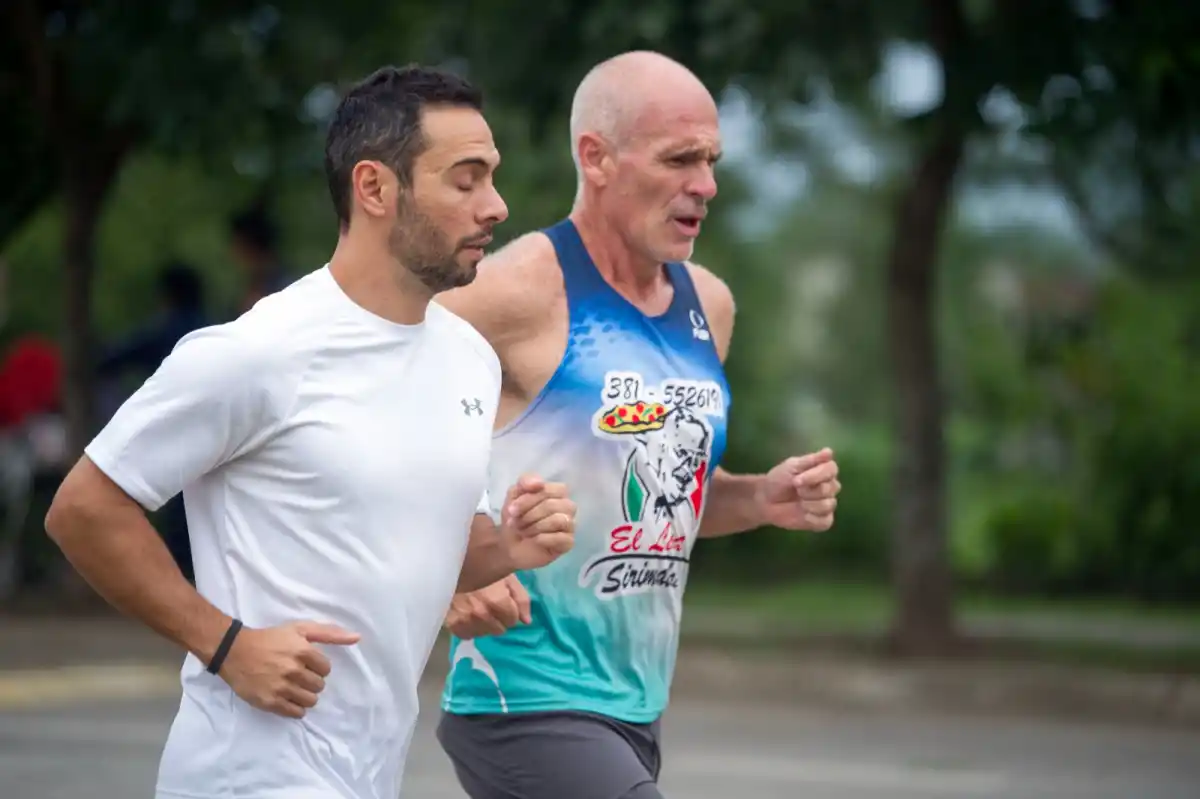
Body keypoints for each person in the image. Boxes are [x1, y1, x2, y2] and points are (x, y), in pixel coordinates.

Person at [43, 64, 577, 799]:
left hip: (371, 773)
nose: (496, 205)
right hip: (248, 775)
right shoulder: (261, 351)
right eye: (466, 180)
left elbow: (417, 551)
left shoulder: (470, 360)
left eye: (492, 177)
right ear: (375, 188)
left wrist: (511, 544)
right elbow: (83, 508)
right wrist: (226, 645)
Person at [432, 51, 842, 799]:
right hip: (521, 696)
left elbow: (662, 497)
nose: (705, 185)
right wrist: (448, 557)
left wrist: (758, 498)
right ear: (596, 158)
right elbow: (370, 400)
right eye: (680, 159)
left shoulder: (708, 305)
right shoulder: (518, 290)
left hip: (636, 707)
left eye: (712, 162)